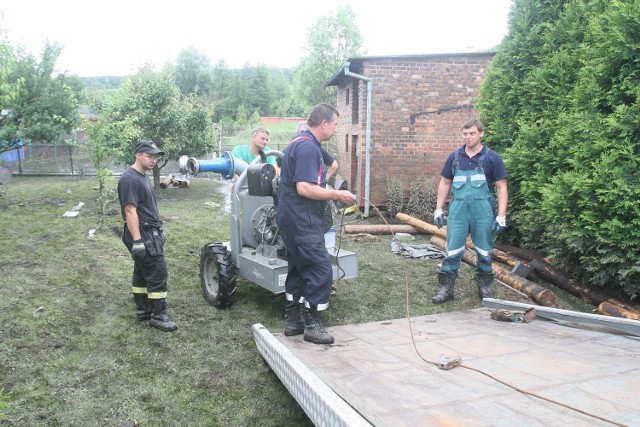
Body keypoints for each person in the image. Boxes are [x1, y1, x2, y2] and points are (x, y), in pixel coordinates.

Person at [276, 104, 357, 344]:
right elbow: (304, 188)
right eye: (334, 124)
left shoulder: (298, 142)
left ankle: (293, 321)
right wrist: (337, 195)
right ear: (323, 123)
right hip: (302, 219)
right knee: (321, 269)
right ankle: (313, 324)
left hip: (290, 217)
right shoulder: (308, 147)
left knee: (298, 267)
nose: (335, 129)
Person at [432, 119, 508, 303]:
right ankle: (446, 290)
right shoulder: (454, 157)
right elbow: (445, 182)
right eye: (465, 134)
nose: (468, 137)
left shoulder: (492, 158)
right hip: (458, 211)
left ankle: (485, 289)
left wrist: (501, 216)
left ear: (481, 133)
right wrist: (438, 209)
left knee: (484, 251)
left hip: (482, 212)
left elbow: (501, 187)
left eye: (472, 133)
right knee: (453, 250)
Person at [117, 140, 178, 332]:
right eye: (149, 156)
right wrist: (137, 241)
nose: (153, 160)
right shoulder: (129, 179)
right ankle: (158, 316)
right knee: (157, 273)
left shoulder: (141, 176)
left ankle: (144, 310)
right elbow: (130, 211)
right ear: (138, 155)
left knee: (142, 271)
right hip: (142, 233)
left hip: (150, 231)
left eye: (155, 157)